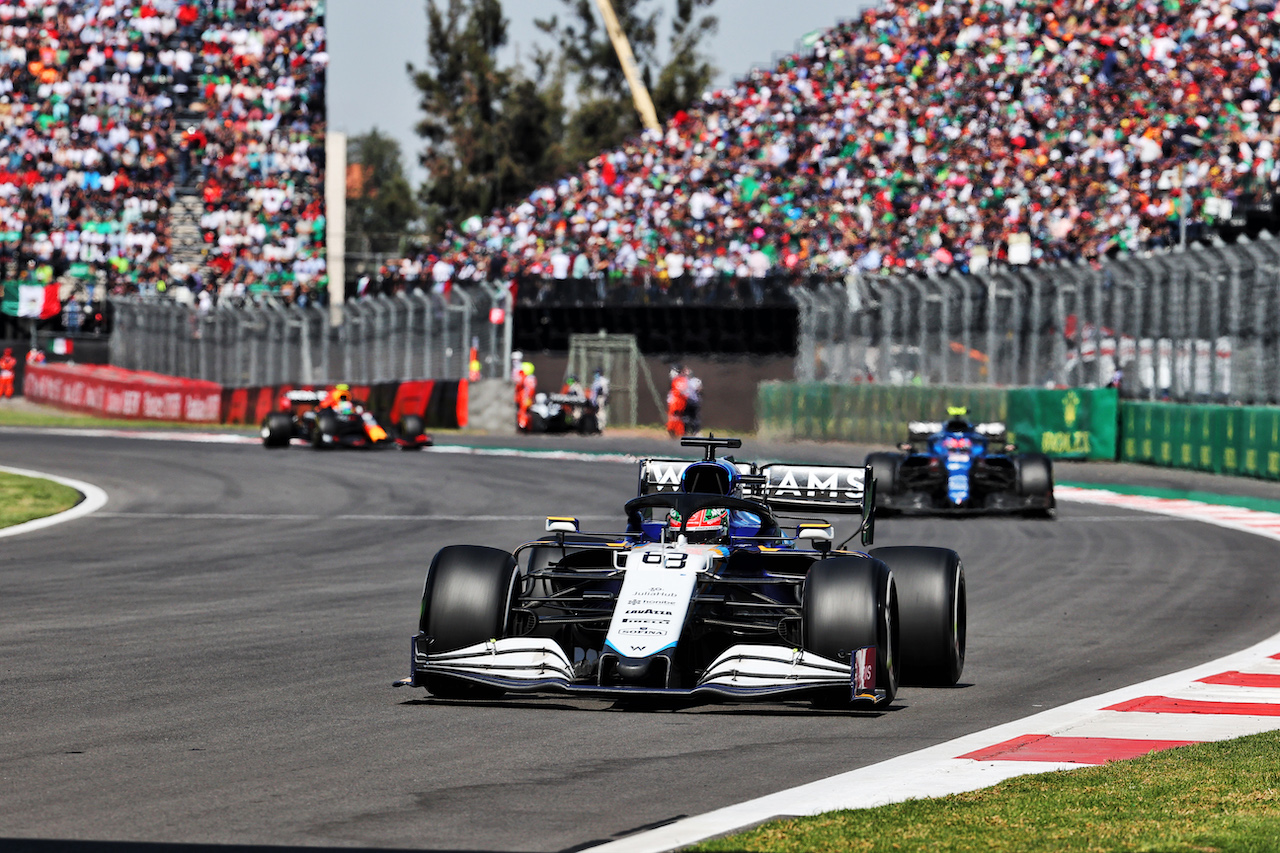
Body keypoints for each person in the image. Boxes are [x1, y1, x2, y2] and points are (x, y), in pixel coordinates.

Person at [666, 365, 689, 438]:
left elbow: (679, 392)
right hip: (680, 402)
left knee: (675, 418)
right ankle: (677, 432)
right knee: (677, 418)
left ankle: (676, 432)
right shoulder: (683, 380)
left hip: (677, 402)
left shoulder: (678, 380)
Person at [516, 362, 538, 430]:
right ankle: (526, 426)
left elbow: (530, 390)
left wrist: (528, 398)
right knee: (527, 412)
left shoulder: (528, 378)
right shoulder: (532, 378)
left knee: (523, 411)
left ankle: (523, 425)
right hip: (527, 397)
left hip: (526, 398)